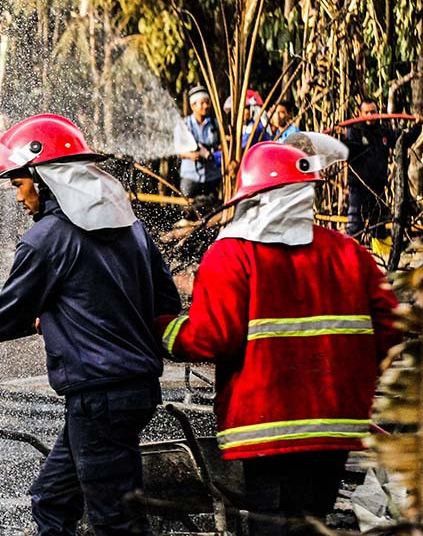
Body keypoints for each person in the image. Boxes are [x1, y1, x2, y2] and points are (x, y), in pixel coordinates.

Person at [0, 113, 182, 536]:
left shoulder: (46, 238)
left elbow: (10, 313)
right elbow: (163, 301)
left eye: (18, 184)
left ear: (44, 178)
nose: (17, 196)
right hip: (133, 391)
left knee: (114, 520)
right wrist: (70, 318)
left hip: (98, 395)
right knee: (52, 499)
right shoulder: (132, 228)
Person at [156, 136, 401, 535]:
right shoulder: (349, 252)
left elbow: (211, 338)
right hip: (333, 428)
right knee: (312, 522)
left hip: (268, 431)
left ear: (251, 196)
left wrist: (161, 328)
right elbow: (389, 331)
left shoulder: (232, 255)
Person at [343, 98, 398, 243]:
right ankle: (350, 261)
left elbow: (402, 139)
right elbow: (346, 150)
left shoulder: (383, 132)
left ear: (377, 112)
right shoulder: (353, 132)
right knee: (355, 226)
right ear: (360, 114)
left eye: (372, 112)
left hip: (378, 187)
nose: (369, 116)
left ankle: (382, 261)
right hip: (358, 187)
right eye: (366, 112)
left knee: (379, 227)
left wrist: (417, 126)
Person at [177, 86, 222, 200]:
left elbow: (221, 146)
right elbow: (178, 151)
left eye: (207, 103)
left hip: (212, 176)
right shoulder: (184, 125)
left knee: (212, 208)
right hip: (190, 176)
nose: (206, 106)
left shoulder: (215, 124)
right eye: (202, 103)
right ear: (193, 105)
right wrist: (191, 155)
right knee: (187, 209)